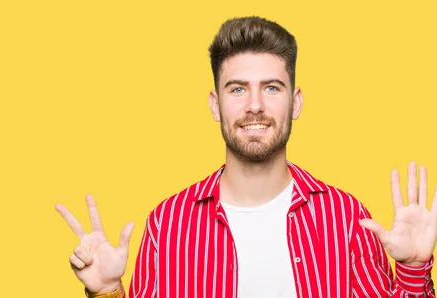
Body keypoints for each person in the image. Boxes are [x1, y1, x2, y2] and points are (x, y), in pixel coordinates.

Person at [55, 16, 437, 297]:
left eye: (271, 87)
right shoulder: (167, 225)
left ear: (296, 101)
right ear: (215, 104)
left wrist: (414, 270)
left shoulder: (347, 218)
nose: (255, 106)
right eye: (237, 89)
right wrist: (106, 291)